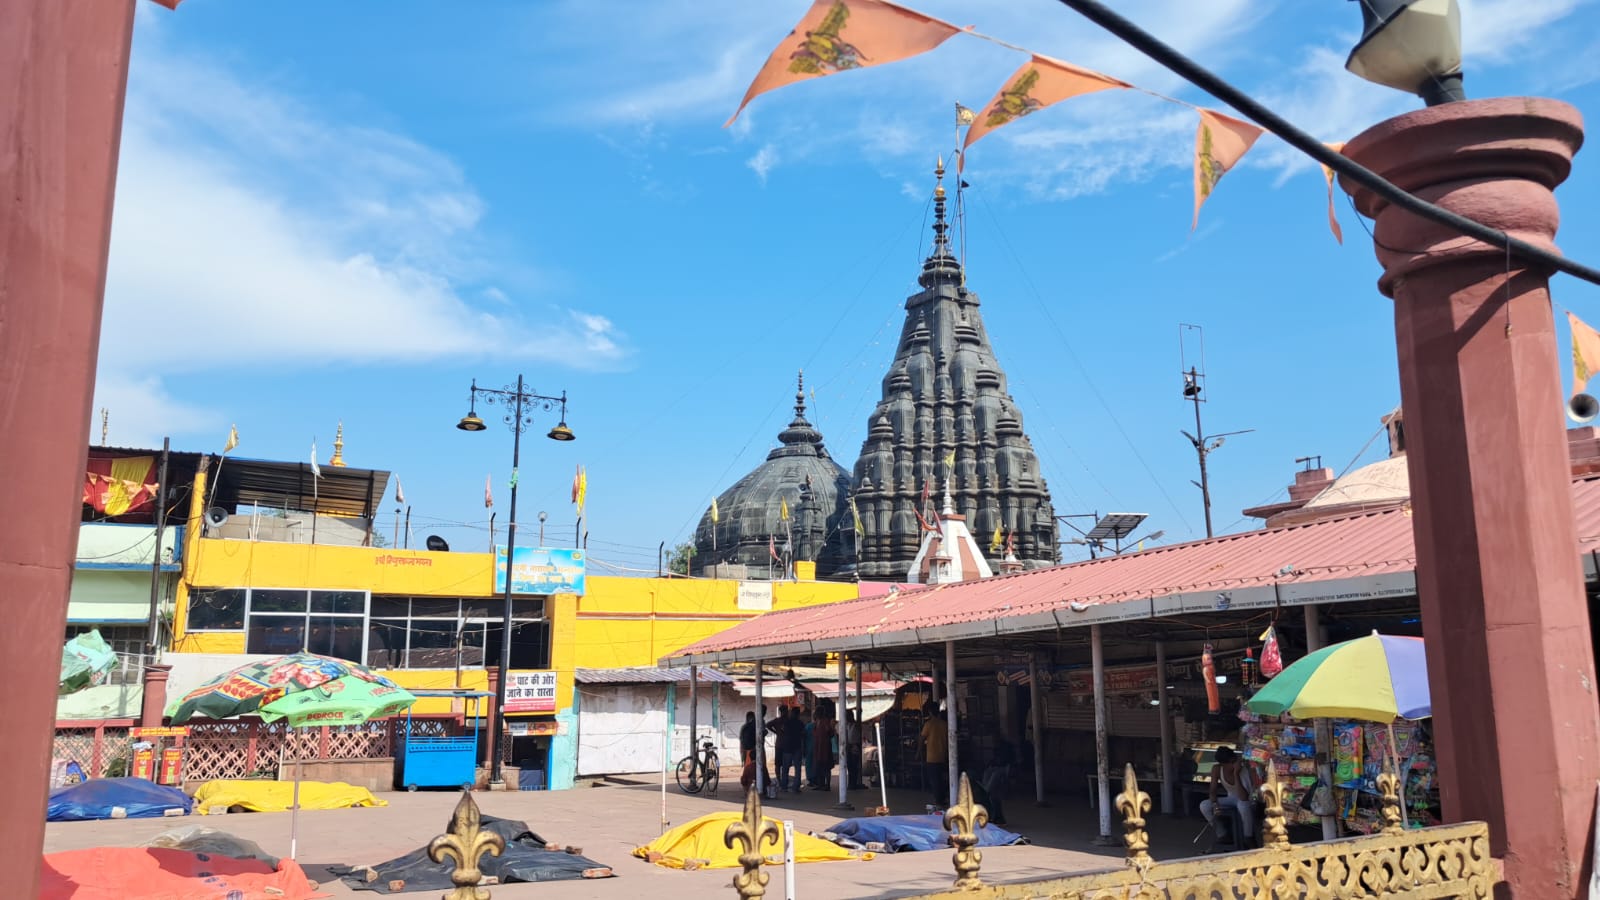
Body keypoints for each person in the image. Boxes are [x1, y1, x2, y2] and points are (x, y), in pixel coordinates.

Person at [1199, 746, 1256, 846]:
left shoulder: (1244, 770)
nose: (1234, 764)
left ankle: (1248, 836)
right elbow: (1213, 790)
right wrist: (1215, 804)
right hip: (1231, 799)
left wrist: (1236, 774)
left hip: (1246, 799)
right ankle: (1222, 834)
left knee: (1243, 806)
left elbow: (1244, 797)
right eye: (1231, 763)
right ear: (1223, 764)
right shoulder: (1217, 769)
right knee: (1204, 805)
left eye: (1234, 761)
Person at [921, 702, 949, 807]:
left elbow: (922, 738)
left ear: (930, 712)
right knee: (941, 779)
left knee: (934, 780)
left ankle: (939, 800)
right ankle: (942, 798)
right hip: (943, 755)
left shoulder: (929, 724)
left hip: (931, 756)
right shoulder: (944, 724)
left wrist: (919, 751)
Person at [981, 740, 1015, 825]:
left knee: (993, 798)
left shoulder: (1002, 769)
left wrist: (985, 791)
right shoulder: (993, 768)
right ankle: (997, 818)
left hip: (1000, 783)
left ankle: (997, 818)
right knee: (993, 798)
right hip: (996, 783)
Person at [845, 710, 864, 790]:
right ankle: (851, 783)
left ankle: (853, 783)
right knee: (850, 766)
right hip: (848, 747)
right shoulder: (847, 725)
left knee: (854, 766)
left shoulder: (855, 725)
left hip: (854, 747)